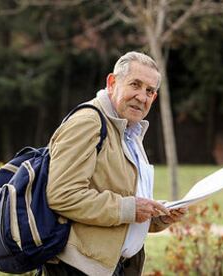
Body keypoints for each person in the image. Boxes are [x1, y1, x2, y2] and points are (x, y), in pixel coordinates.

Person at [44, 51, 187, 276]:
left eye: (149, 91)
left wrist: (158, 216)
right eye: (135, 85)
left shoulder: (130, 131)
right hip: (77, 268)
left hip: (117, 267)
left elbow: (123, 202)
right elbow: (62, 195)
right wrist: (130, 208)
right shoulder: (88, 122)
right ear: (112, 82)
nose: (142, 96)